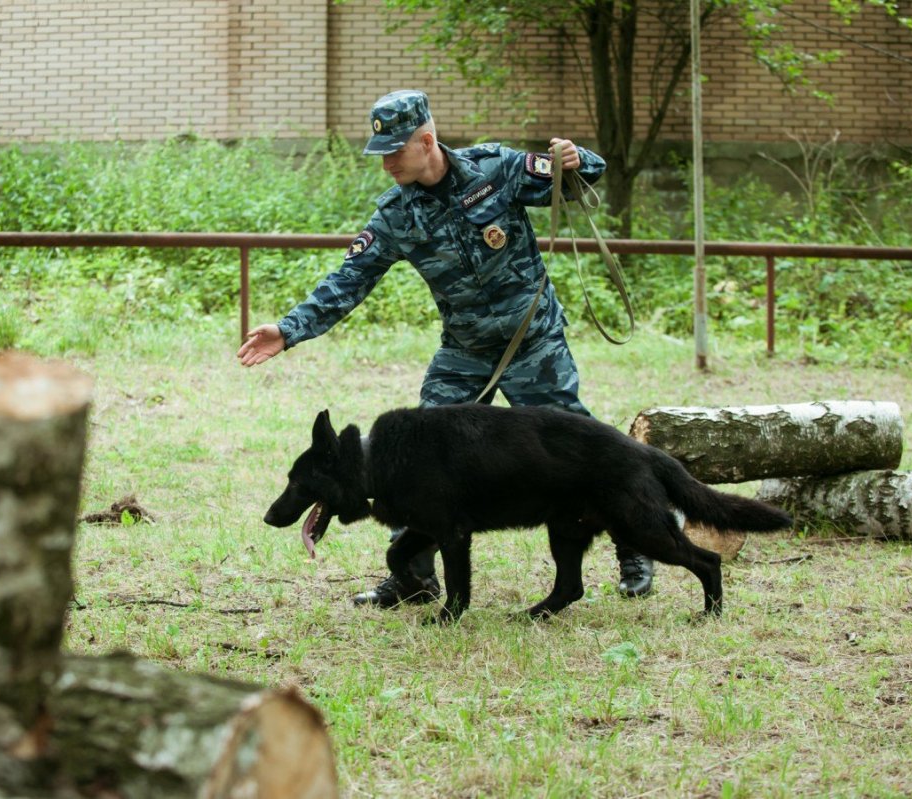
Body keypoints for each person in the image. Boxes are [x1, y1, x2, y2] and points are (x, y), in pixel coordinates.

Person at [236, 89, 655, 606]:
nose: (386, 162)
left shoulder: (495, 168)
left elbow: (580, 177)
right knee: (414, 458)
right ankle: (412, 578)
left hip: (533, 340)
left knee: (577, 448)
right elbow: (348, 280)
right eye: (381, 152)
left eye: (395, 150)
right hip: (466, 351)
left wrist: (576, 158)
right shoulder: (395, 214)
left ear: (426, 140)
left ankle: (634, 543)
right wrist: (289, 329)